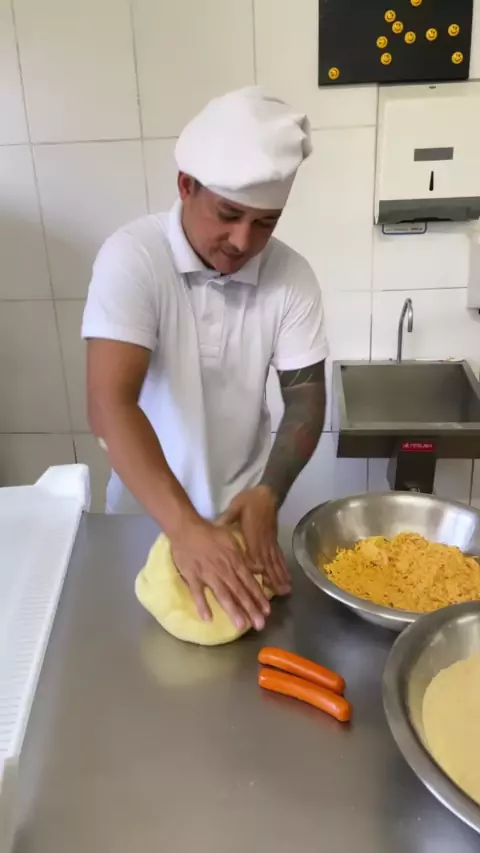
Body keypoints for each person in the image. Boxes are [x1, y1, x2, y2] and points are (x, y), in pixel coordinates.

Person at [82, 86, 328, 634]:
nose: (243, 240)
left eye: (265, 222)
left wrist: (269, 492)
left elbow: (305, 398)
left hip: (241, 522)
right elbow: (108, 403)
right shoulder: (134, 258)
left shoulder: (291, 278)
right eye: (229, 214)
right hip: (145, 519)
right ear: (185, 186)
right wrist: (185, 527)